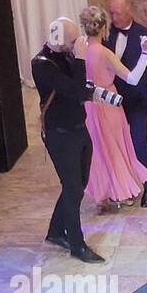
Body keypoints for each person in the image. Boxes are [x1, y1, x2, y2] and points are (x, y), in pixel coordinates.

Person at [31, 17, 115, 263]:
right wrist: (79, 58)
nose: (75, 44)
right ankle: (77, 245)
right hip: (60, 134)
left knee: (79, 183)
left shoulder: (65, 53)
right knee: (72, 187)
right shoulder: (42, 64)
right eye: (71, 41)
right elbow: (78, 91)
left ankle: (56, 231)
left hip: (78, 127)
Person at [76, 5, 147, 210]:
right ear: (103, 28)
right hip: (109, 106)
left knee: (97, 151)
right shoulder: (104, 53)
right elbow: (133, 78)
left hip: (89, 106)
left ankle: (101, 194)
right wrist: (145, 54)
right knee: (115, 148)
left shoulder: (79, 51)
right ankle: (119, 192)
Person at [107, 0, 147, 207]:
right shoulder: (106, 33)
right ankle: (122, 186)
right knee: (115, 144)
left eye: (118, 13)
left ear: (130, 11)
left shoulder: (145, 34)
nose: (114, 18)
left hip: (138, 99)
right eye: (111, 12)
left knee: (139, 142)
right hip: (113, 99)